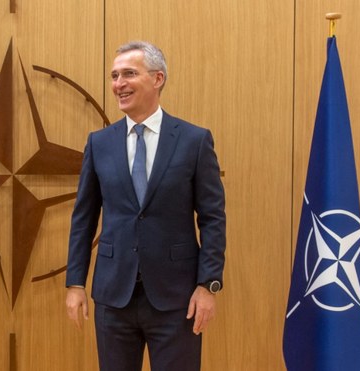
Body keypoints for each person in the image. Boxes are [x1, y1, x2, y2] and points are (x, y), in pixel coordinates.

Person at [65, 41, 226, 371]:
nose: (118, 84)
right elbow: (83, 218)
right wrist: (75, 283)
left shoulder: (194, 141)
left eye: (128, 74)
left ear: (157, 79)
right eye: (114, 76)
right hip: (113, 296)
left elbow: (212, 218)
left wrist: (208, 286)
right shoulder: (100, 143)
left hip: (177, 299)